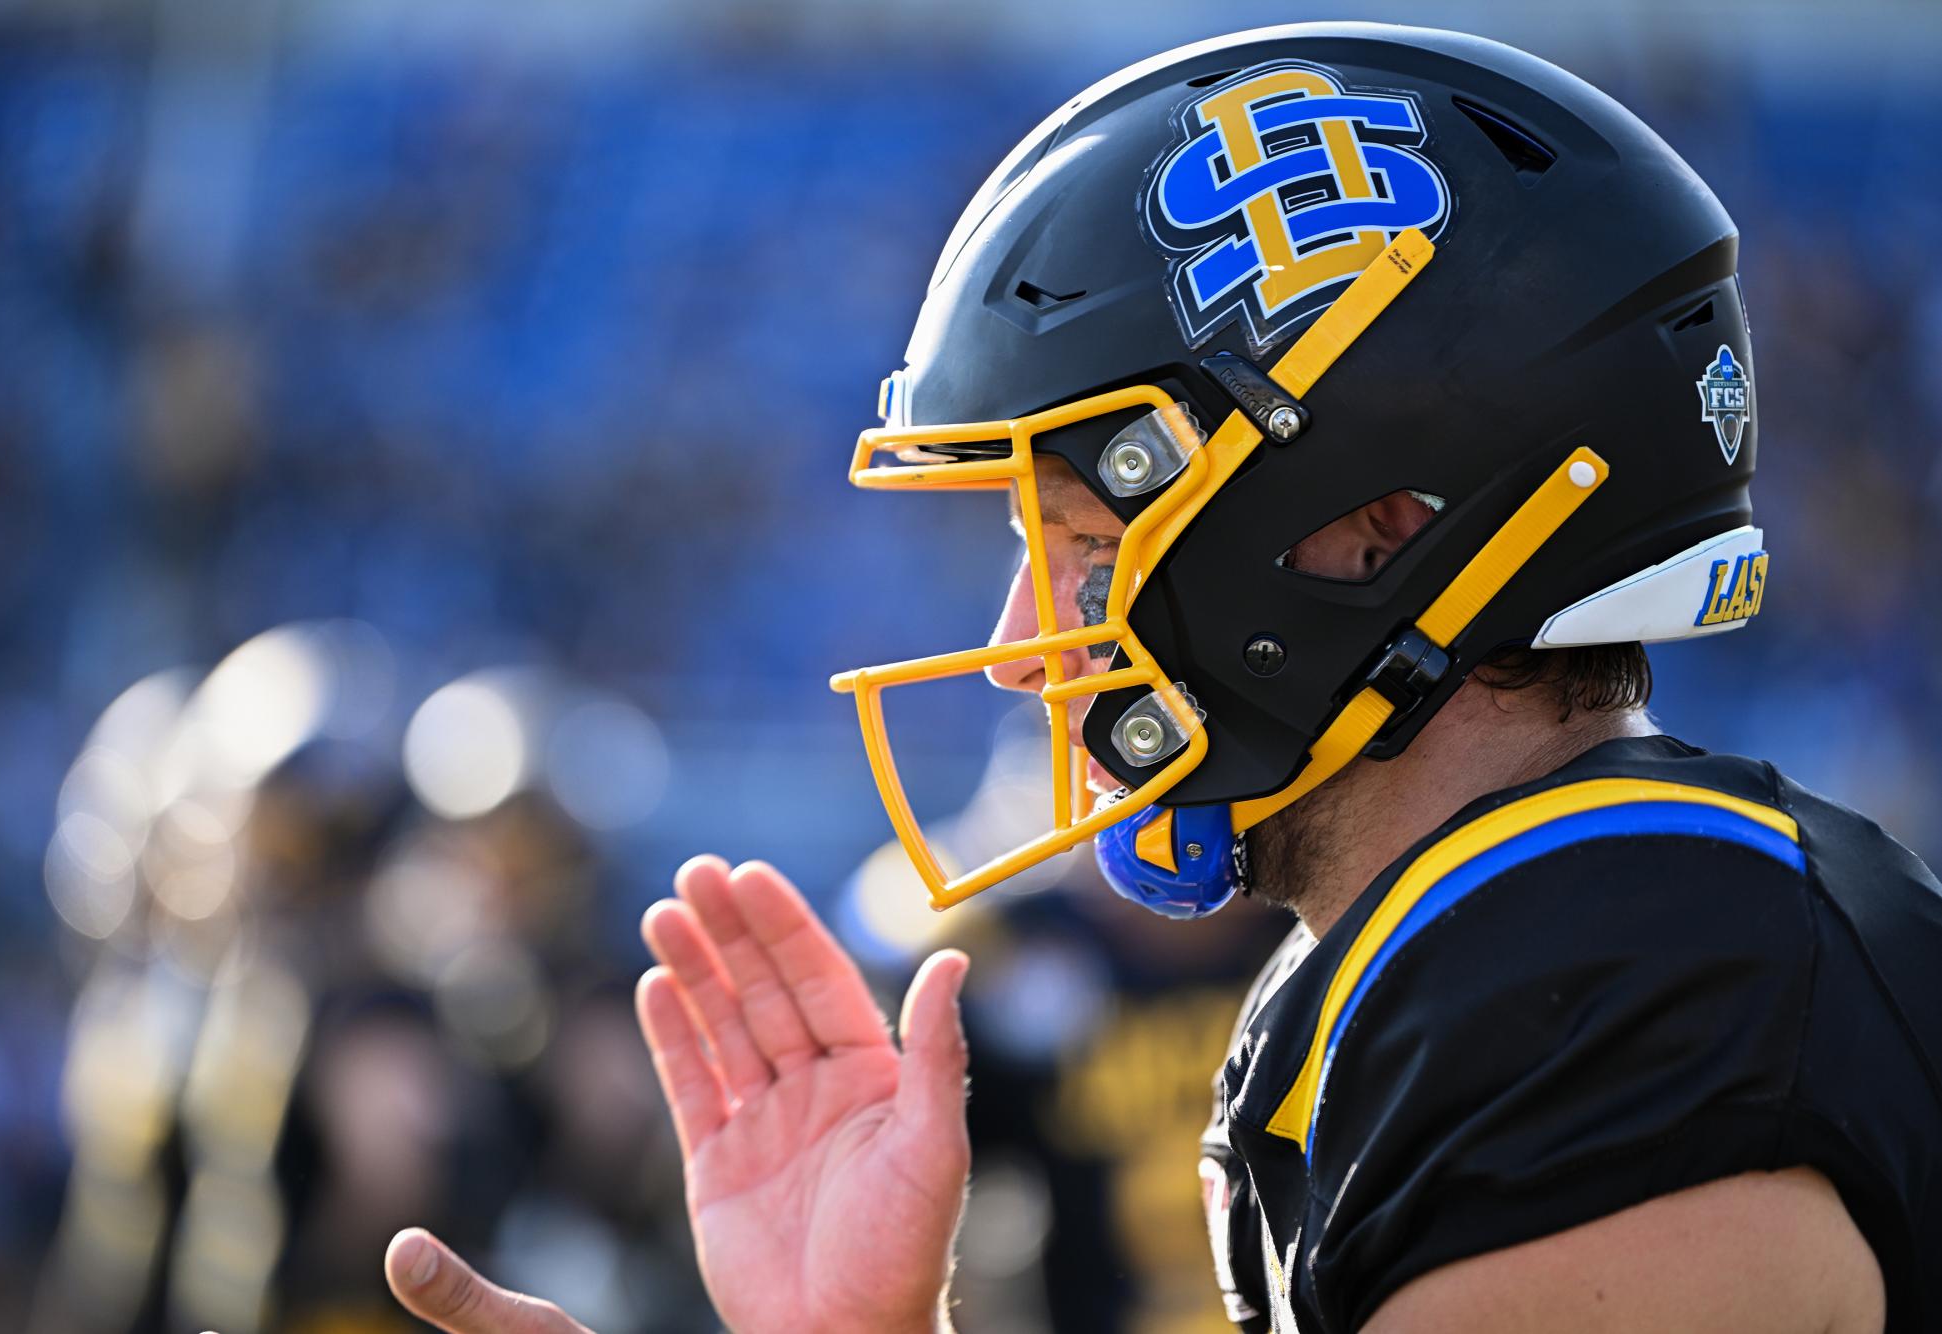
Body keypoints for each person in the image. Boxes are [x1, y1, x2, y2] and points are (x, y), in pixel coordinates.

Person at [377, 23, 1940, 1334]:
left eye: (1075, 538)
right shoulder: (1555, 938)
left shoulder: (1608, 989)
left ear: (1364, 533)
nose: (1011, 640)